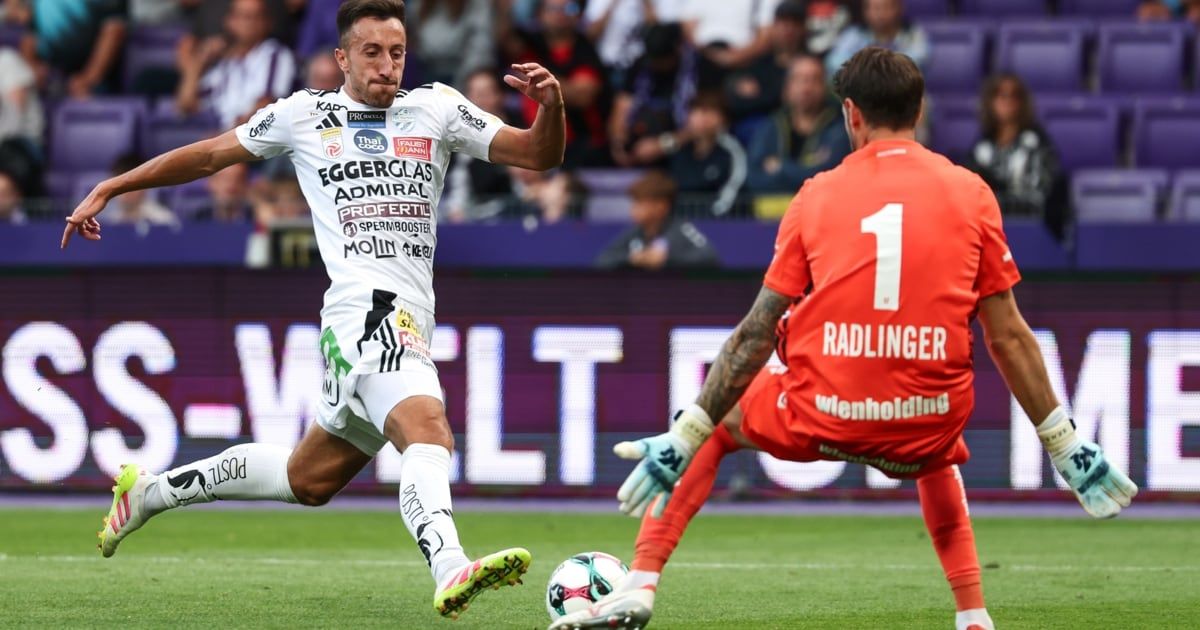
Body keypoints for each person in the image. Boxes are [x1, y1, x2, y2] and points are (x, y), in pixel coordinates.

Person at [549, 47, 1137, 630]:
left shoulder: (816, 194)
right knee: (937, 456)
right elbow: (1007, 335)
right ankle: (973, 614)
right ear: (920, 108)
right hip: (924, 422)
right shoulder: (973, 193)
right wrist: (1063, 444)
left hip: (824, 412)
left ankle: (643, 580)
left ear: (851, 114)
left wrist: (685, 433)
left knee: (717, 426)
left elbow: (755, 332)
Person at [63, 0, 566, 619]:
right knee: (428, 430)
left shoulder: (436, 108)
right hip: (365, 311)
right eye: (373, 52)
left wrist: (553, 108)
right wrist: (114, 185)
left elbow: (538, 156)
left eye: (398, 51)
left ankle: (150, 494)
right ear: (342, 58)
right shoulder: (305, 115)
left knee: (309, 480)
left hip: (406, 313)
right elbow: (211, 155)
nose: (388, 65)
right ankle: (450, 564)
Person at [508, 0, 610, 167]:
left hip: (581, 145)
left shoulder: (585, 49)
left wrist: (541, 81)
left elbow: (583, 96)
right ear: (540, 14)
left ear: (578, 15)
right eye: (553, 9)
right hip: (530, 143)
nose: (560, 14)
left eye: (568, 8)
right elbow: (503, 37)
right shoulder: (530, 42)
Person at [963, 74, 1063, 229]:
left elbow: (1039, 199)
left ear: (1022, 102)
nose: (1007, 101)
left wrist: (995, 200)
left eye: (1013, 95)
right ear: (990, 101)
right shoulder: (981, 148)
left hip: (1028, 228)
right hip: (987, 228)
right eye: (1000, 95)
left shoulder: (1036, 144)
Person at [175, 0, 296, 128]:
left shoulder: (275, 54)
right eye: (242, 16)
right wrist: (201, 61)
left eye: (255, 17)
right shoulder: (227, 64)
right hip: (229, 139)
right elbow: (186, 104)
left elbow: (266, 106)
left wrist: (222, 140)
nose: (248, 23)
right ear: (229, 21)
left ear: (267, 23)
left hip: (260, 139)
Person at [747, 54, 851, 194]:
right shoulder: (770, 127)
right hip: (770, 214)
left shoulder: (840, 129)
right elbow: (754, 178)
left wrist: (780, 168)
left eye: (814, 80)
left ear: (824, 87)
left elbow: (831, 176)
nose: (806, 88)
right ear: (787, 87)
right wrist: (807, 169)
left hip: (819, 212)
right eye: (799, 80)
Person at [636, 94, 746, 217]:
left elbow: (735, 186)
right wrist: (682, 137)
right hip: (676, 221)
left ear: (723, 119)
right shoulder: (679, 145)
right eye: (696, 112)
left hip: (717, 221)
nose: (702, 118)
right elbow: (643, 153)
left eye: (708, 112)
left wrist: (712, 216)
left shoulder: (730, 150)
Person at [607, 23, 693, 167]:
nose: (656, 65)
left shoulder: (697, 69)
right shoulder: (640, 65)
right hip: (640, 143)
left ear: (677, 49)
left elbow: (708, 122)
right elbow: (622, 106)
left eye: (661, 60)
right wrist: (619, 143)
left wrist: (663, 145)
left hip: (684, 150)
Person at [595, 170, 718, 270]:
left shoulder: (682, 229)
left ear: (661, 207)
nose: (633, 209)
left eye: (640, 203)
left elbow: (709, 258)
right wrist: (633, 258)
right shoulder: (634, 233)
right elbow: (603, 260)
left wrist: (666, 259)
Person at [7, 0, 129, 98]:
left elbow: (114, 32)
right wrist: (32, 68)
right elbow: (31, 36)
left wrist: (89, 79)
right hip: (50, 81)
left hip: (99, 86)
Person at [443, 69, 517, 222]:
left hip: (512, 211)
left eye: (486, 93)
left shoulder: (518, 133)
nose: (480, 100)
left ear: (499, 96)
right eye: (475, 94)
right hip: (469, 215)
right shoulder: (453, 138)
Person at [723, 0, 809, 125]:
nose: (789, 29)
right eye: (783, 23)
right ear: (774, 27)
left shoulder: (810, 64)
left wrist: (761, 95)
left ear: (803, 29)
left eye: (795, 23)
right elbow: (735, 98)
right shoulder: (759, 62)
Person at [825, 0, 927, 77]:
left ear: (899, 8)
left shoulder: (911, 33)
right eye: (875, 8)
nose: (880, 14)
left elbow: (920, 59)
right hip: (862, 90)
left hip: (903, 90)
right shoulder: (854, 34)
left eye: (886, 7)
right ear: (865, 11)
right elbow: (834, 62)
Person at [408, 0, 493, 87]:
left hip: (463, 74)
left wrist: (459, 87)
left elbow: (479, 51)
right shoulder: (420, 5)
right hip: (425, 71)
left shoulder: (476, 5)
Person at [107, 154, 181, 228]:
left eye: (133, 186)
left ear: (145, 186)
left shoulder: (163, 221)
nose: (127, 192)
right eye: (121, 187)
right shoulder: (108, 222)